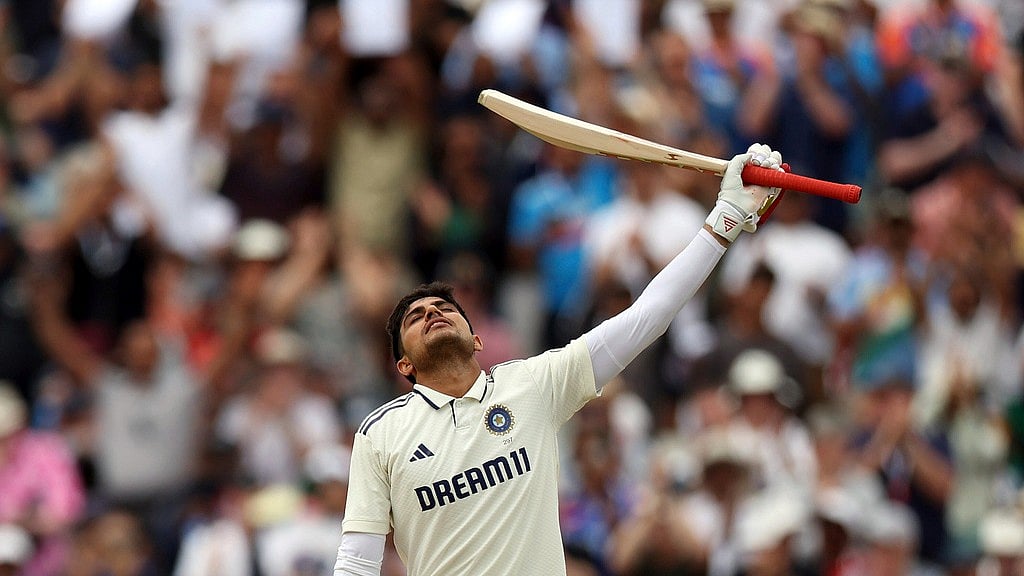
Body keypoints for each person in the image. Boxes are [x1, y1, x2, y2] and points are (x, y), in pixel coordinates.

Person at [333, 144, 787, 575]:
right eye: (416, 318)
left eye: (446, 308)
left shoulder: (533, 385)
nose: (433, 312)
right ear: (404, 366)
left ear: (476, 340)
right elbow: (357, 561)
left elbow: (648, 316)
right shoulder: (380, 434)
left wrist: (726, 218)